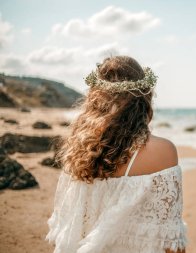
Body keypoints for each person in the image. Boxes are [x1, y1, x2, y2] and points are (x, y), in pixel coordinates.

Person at [46, 56, 188, 253]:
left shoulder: (78, 151)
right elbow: (170, 240)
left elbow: (66, 227)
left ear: (94, 98)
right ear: (144, 97)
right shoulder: (162, 151)